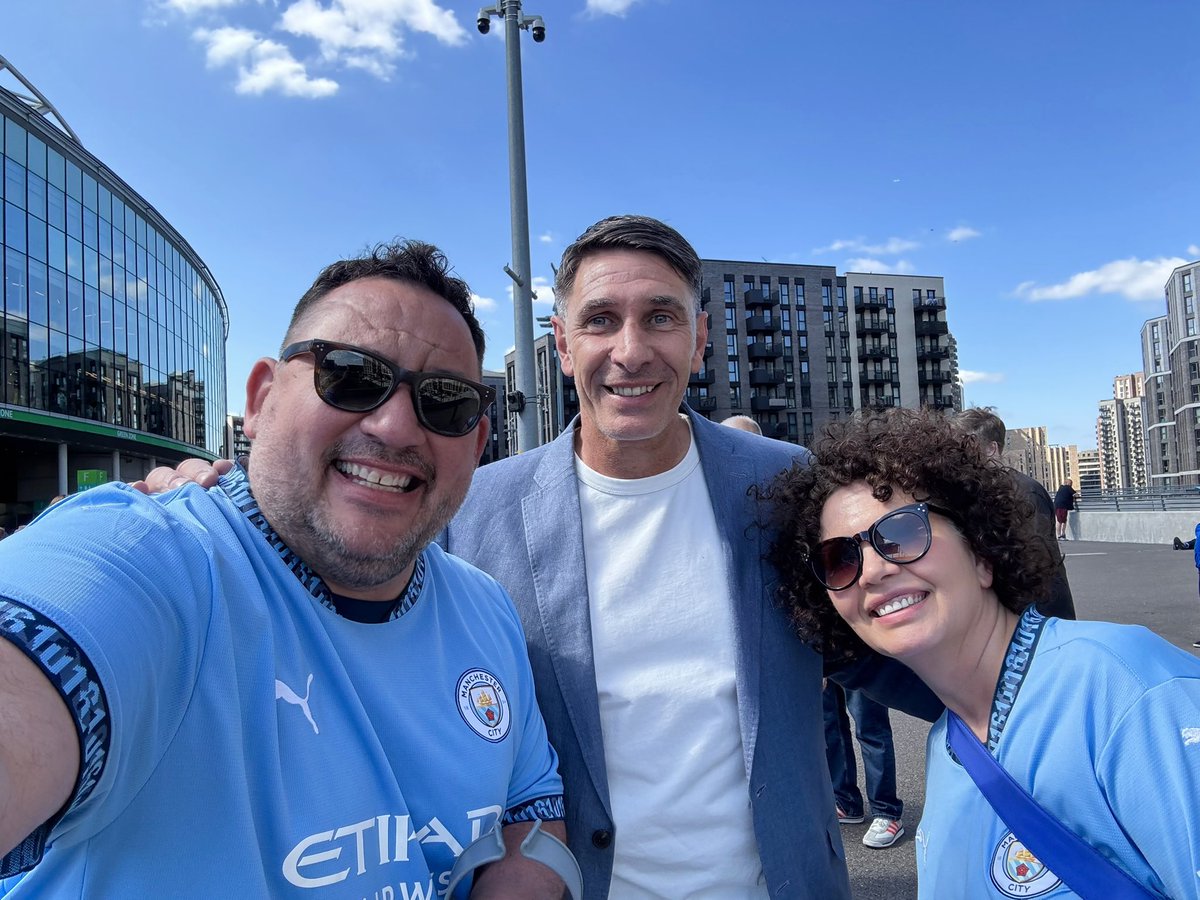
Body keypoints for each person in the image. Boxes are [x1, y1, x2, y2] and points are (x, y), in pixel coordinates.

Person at [143, 215, 943, 899]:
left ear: (701, 339)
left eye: (661, 317)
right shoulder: (467, 509)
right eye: (600, 320)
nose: (631, 350)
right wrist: (225, 503)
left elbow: (914, 654)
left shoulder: (788, 488)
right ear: (562, 345)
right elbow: (333, 585)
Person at [0, 241, 570, 898]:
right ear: (261, 399)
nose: (395, 426)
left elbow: (529, 812)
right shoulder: (149, 557)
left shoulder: (485, 607)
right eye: (351, 376)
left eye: (445, 402)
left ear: (476, 443)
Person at [768, 407, 1200, 897]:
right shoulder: (948, 745)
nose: (871, 571)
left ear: (981, 552)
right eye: (840, 558)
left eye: (902, 532)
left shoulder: (1129, 693)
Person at [954, 407, 1076, 619]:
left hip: (1039, 615)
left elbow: (1034, 563)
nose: (958, 453)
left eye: (967, 445)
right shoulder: (976, 490)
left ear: (992, 448)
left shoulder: (1024, 492)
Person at [822, 683, 905, 848]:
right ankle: (846, 802)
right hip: (818, 665)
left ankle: (886, 811)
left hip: (859, 664)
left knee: (870, 724)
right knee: (830, 725)